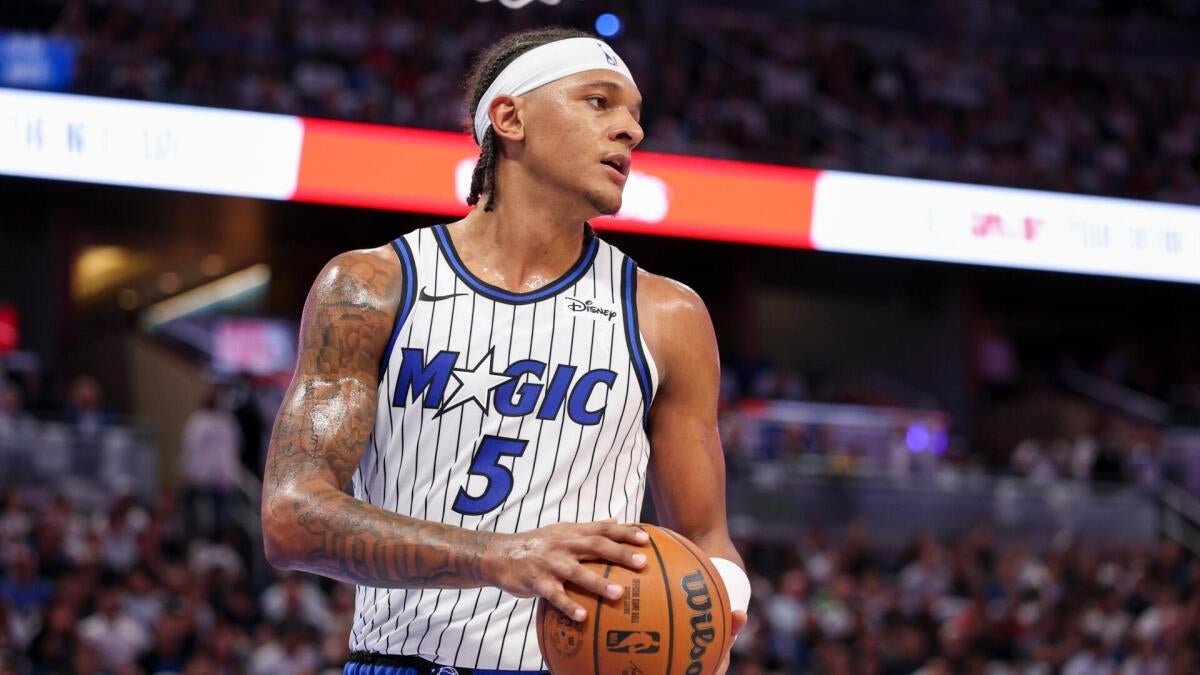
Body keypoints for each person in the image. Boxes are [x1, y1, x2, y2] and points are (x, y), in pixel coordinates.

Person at [261, 27, 749, 674]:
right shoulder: (370, 286)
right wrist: (496, 555)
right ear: (510, 118)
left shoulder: (668, 314)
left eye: (635, 114)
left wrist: (721, 607)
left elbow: (706, 535)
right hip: (399, 661)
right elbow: (291, 515)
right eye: (599, 101)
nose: (631, 130)